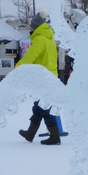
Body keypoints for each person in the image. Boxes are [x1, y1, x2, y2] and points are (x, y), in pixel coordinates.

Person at [15, 14, 63, 145]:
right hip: (50, 76)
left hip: (42, 79)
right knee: (38, 107)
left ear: (35, 27)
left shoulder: (39, 40)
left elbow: (29, 58)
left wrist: (18, 67)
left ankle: (54, 136)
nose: (29, 28)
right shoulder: (50, 40)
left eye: (31, 25)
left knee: (45, 109)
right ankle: (30, 134)